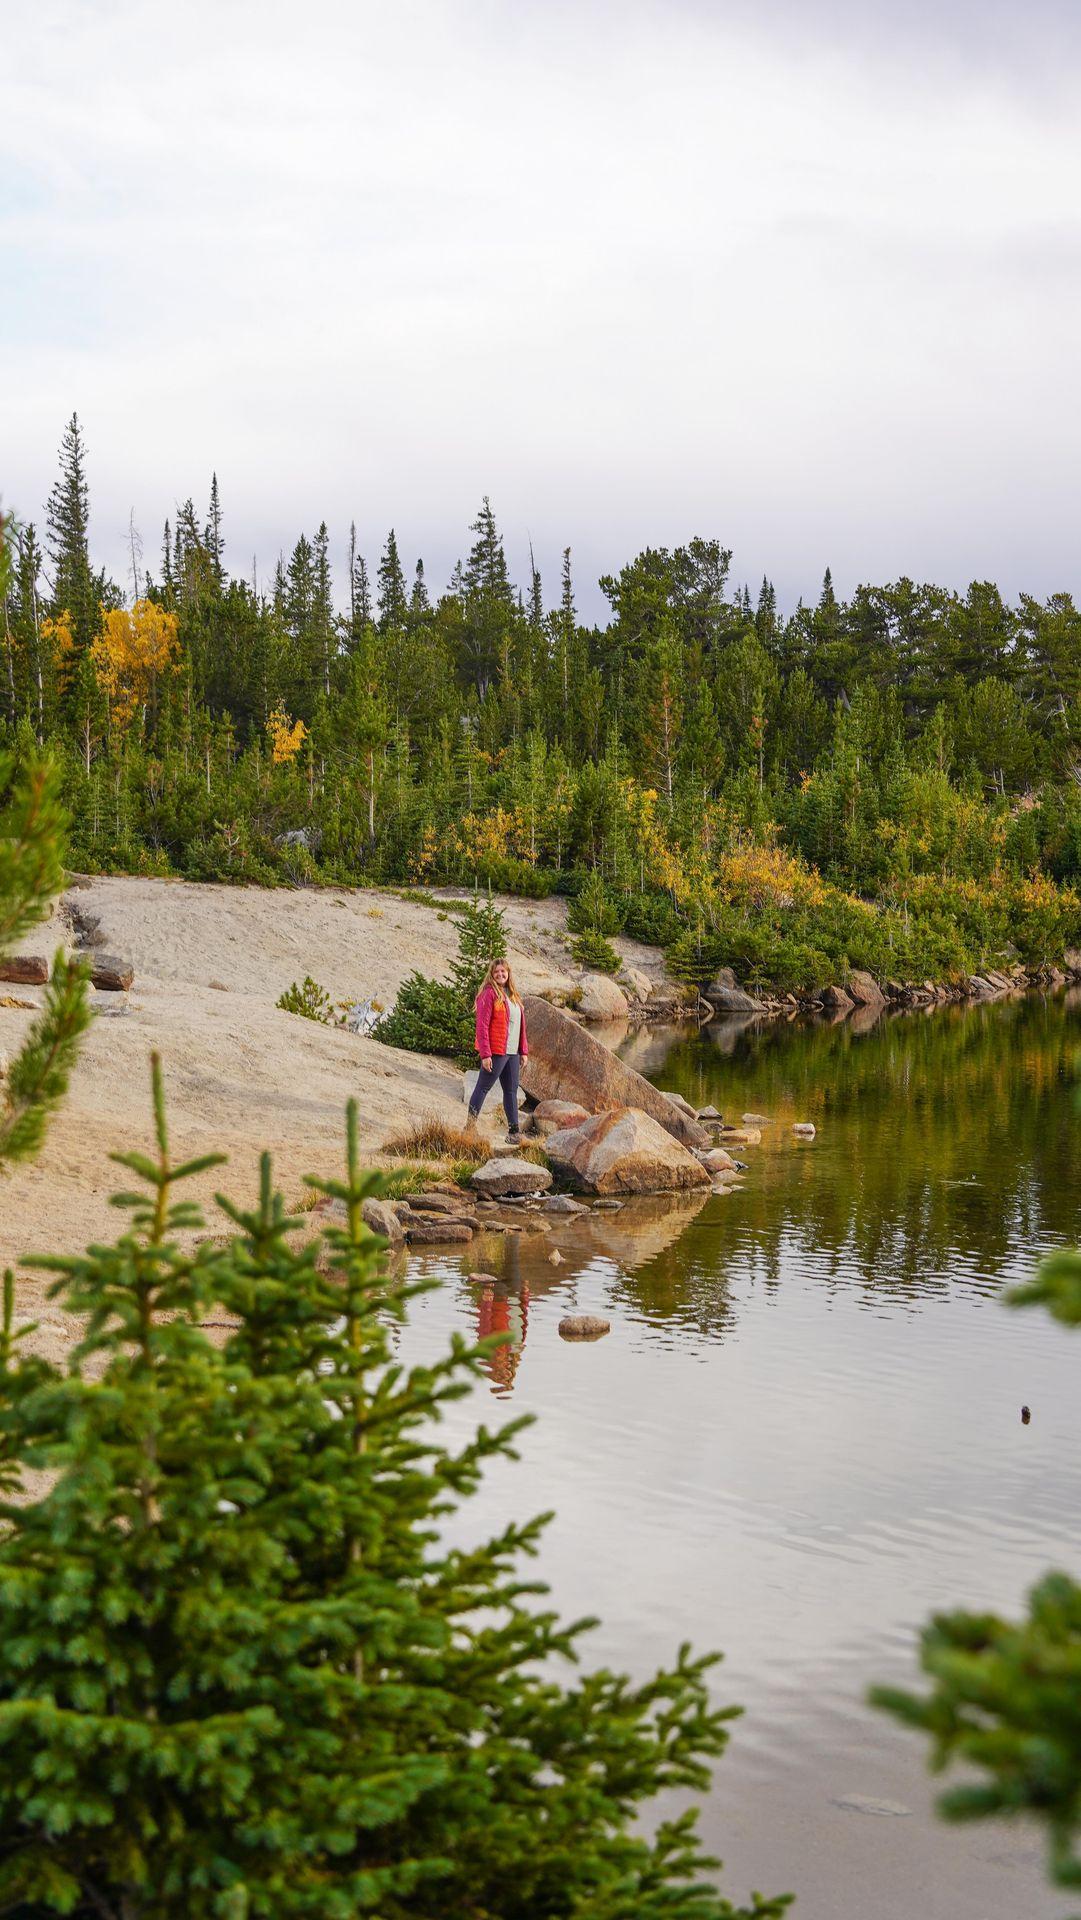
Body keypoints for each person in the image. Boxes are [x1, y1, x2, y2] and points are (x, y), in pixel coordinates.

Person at [468, 958, 529, 1143]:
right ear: (492, 975)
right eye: (497, 972)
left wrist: (523, 1050)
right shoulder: (488, 994)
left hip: (512, 1053)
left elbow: (521, 1026)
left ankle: (514, 1132)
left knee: (511, 1091)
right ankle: (469, 1128)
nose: (500, 975)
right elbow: (482, 1026)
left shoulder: (513, 995)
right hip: (496, 1052)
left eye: (503, 972)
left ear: (508, 973)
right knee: (483, 1087)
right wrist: (485, 1054)